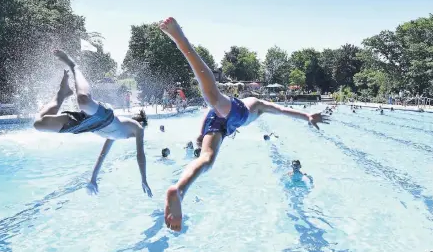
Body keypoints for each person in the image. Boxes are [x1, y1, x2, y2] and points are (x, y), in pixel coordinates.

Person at [158, 17, 329, 231]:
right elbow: (283, 110)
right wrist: (307, 117)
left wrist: (201, 134)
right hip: (234, 116)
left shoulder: (247, 106)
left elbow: (212, 115)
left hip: (219, 124)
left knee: (207, 158)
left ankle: (179, 190)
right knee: (212, 94)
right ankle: (180, 39)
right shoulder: (256, 104)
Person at [33, 50, 152, 197]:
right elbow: (140, 154)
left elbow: (102, 156)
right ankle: (74, 65)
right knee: (83, 100)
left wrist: (93, 179)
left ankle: (62, 93)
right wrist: (144, 179)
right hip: (105, 116)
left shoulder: (115, 136)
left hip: (89, 125)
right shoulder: (137, 127)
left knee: (39, 124)